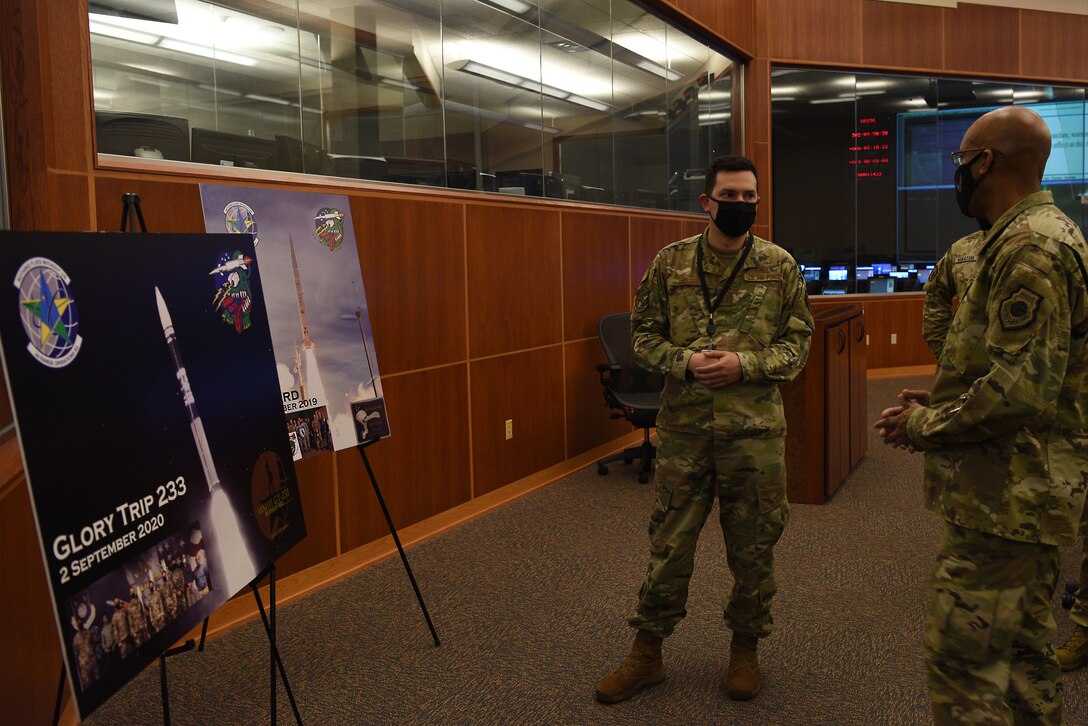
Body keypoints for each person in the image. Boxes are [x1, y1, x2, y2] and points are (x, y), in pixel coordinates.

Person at [874, 106, 1088, 723]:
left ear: (984, 162)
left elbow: (1021, 390)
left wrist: (924, 426)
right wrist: (945, 400)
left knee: (965, 665)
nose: (957, 175)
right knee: (1022, 656)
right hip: (1018, 490)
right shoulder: (1026, 236)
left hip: (1009, 496)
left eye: (959, 161)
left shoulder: (1031, 245)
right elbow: (1011, 368)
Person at [595, 154, 813, 704]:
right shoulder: (670, 265)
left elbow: (798, 344)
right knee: (669, 545)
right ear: (706, 202)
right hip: (685, 432)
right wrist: (685, 361)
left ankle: (745, 648)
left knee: (753, 548)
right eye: (730, 197)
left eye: (749, 197)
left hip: (754, 436)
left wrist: (747, 365)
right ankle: (647, 653)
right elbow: (642, 336)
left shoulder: (779, 265)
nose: (740, 205)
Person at [922, 230, 986, 359]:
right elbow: (935, 299)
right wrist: (948, 355)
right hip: (970, 363)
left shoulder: (1028, 242)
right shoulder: (962, 249)